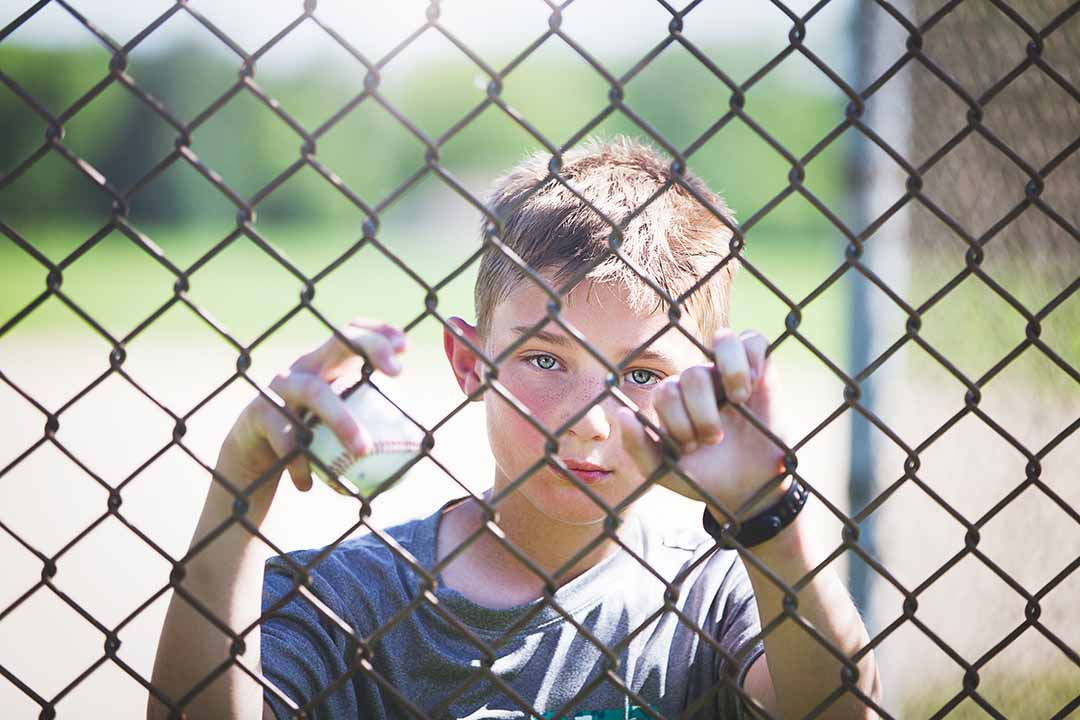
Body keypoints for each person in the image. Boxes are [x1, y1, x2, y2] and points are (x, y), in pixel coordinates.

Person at [148, 136, 881, 719]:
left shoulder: (721, 594)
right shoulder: (343, 600)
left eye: (643, 375)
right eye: (544, 359)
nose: (589, 423)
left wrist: (767, 516)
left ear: (705, 388)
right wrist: (236, 493)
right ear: (470, 362)